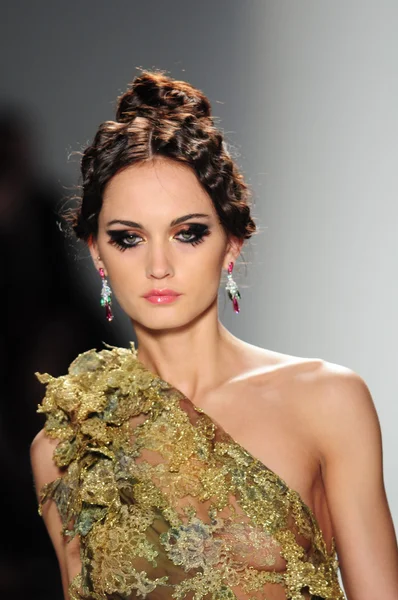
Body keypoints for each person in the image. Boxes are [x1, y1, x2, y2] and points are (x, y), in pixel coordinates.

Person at [30, 69, 398, 600]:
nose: (159, 265)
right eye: (129, 238)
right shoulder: (68, 446)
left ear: (231, 244)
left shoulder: (327, 401)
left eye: (188, 233)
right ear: (97, 254)